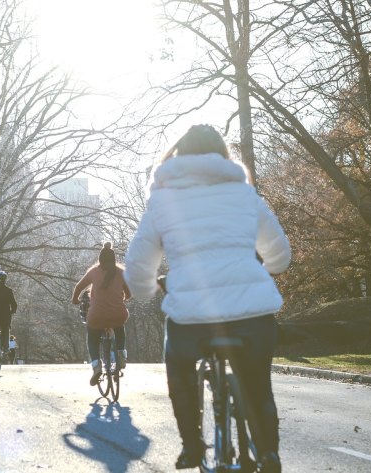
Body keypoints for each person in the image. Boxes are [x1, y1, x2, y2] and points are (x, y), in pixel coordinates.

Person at [123, 124, 291, 472]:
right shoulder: (245, 195)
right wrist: (268, 268)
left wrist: (148, 289)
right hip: (253, 315)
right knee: (259, 386)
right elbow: (279, 253)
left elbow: (138, 265)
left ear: (178, 155)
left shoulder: (162, 199)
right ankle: (269, 454)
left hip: (192, 319)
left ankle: (193, 448)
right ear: (223, 156)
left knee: (180, 372)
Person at [71, 242, 132, 386]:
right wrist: (123, 298)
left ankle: (96, 366)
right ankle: (121, 354)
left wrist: (75, 299)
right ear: (114, 259)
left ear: (100, 260)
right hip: (118, 314)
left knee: (92, 337)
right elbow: (129, 293)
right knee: (119, 327)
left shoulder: (94, 272)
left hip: (97, 316)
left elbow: (79, 287)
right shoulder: (121, 272)